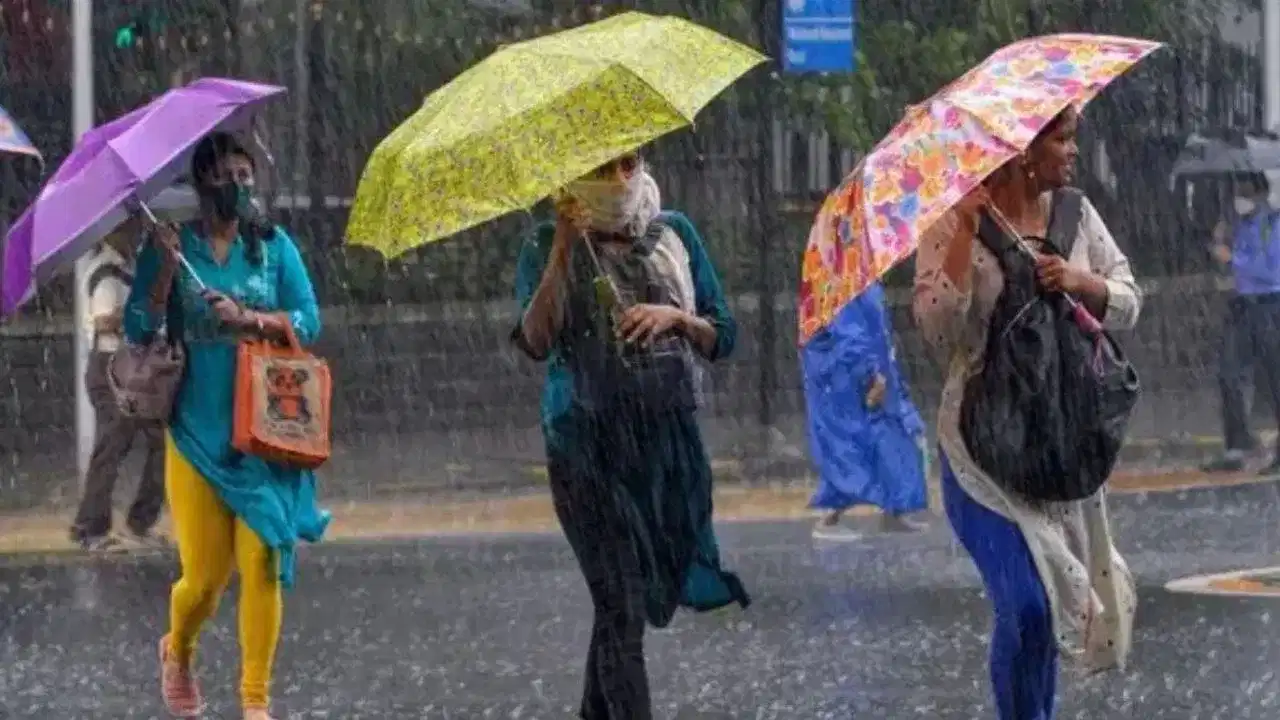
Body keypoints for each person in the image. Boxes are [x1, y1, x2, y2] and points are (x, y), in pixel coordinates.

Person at [913, 107, 1138, 719]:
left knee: (1053, 604)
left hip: (1058, 440)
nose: (1071, 151)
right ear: (1019, 151)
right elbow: (937, 336)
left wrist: (1079, 281)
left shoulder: (1075, 214)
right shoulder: (954, 220)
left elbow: (1128, 300)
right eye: (1060, 139)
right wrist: (962, 235)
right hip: (981, 454)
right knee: (1029, 603)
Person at [512, 152, 750, 719]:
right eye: (603, 169)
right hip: (585, 448)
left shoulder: (675, 233)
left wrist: (677, 319)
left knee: (625, 605)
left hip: (664, 446)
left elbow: (724, 334)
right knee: (619, 600)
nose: (620, 180)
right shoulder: (548, 240)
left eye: (630, 163)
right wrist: (564, 247)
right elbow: (536, 340)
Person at [124, 132, 329, 720]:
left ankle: (255, 701)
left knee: (266, 553)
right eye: (225, 176)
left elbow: (308, 320)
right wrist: (162, 273)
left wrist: (254, 320)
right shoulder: (172, 246)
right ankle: (178, 649)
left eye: (246, 174)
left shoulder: (274, 247)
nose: (238, 185)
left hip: (265, 431)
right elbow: (140, 329)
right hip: (197, 432)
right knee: (205, 581)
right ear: (201, 184)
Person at [802, 280, 929, 540]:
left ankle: (895, 510)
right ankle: (830, 517)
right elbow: (851, 334)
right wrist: (871, 372)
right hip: (851, 377)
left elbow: (874, 330)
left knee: (894, 437)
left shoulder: (865, 280)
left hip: (872, 372)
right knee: (850, 444)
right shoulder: (844, 281)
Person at [69, 218, 166, 552]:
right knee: (111, 446)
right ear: (110, 231)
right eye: (128, 228)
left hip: (132, 370)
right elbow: (103, 322)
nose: (135, 232)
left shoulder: (130, 266)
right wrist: (136, 314)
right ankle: (90, 528)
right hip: (109, 369)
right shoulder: (104, 269)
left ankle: (141, 521)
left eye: (137, 227)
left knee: (161, 440)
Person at [1203, 173, 1280, 474]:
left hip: (1271, 305)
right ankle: (1237, 445)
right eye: (1238, 192)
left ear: (1260, 193)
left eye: (1246, 192)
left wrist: (1231, 257)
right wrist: (1221, 245)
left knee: (1275, 378)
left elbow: (1269, 269)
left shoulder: (1272, 225)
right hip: (1244, 305)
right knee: (1229, 373)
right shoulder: (1241, 225)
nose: (1240, 199)